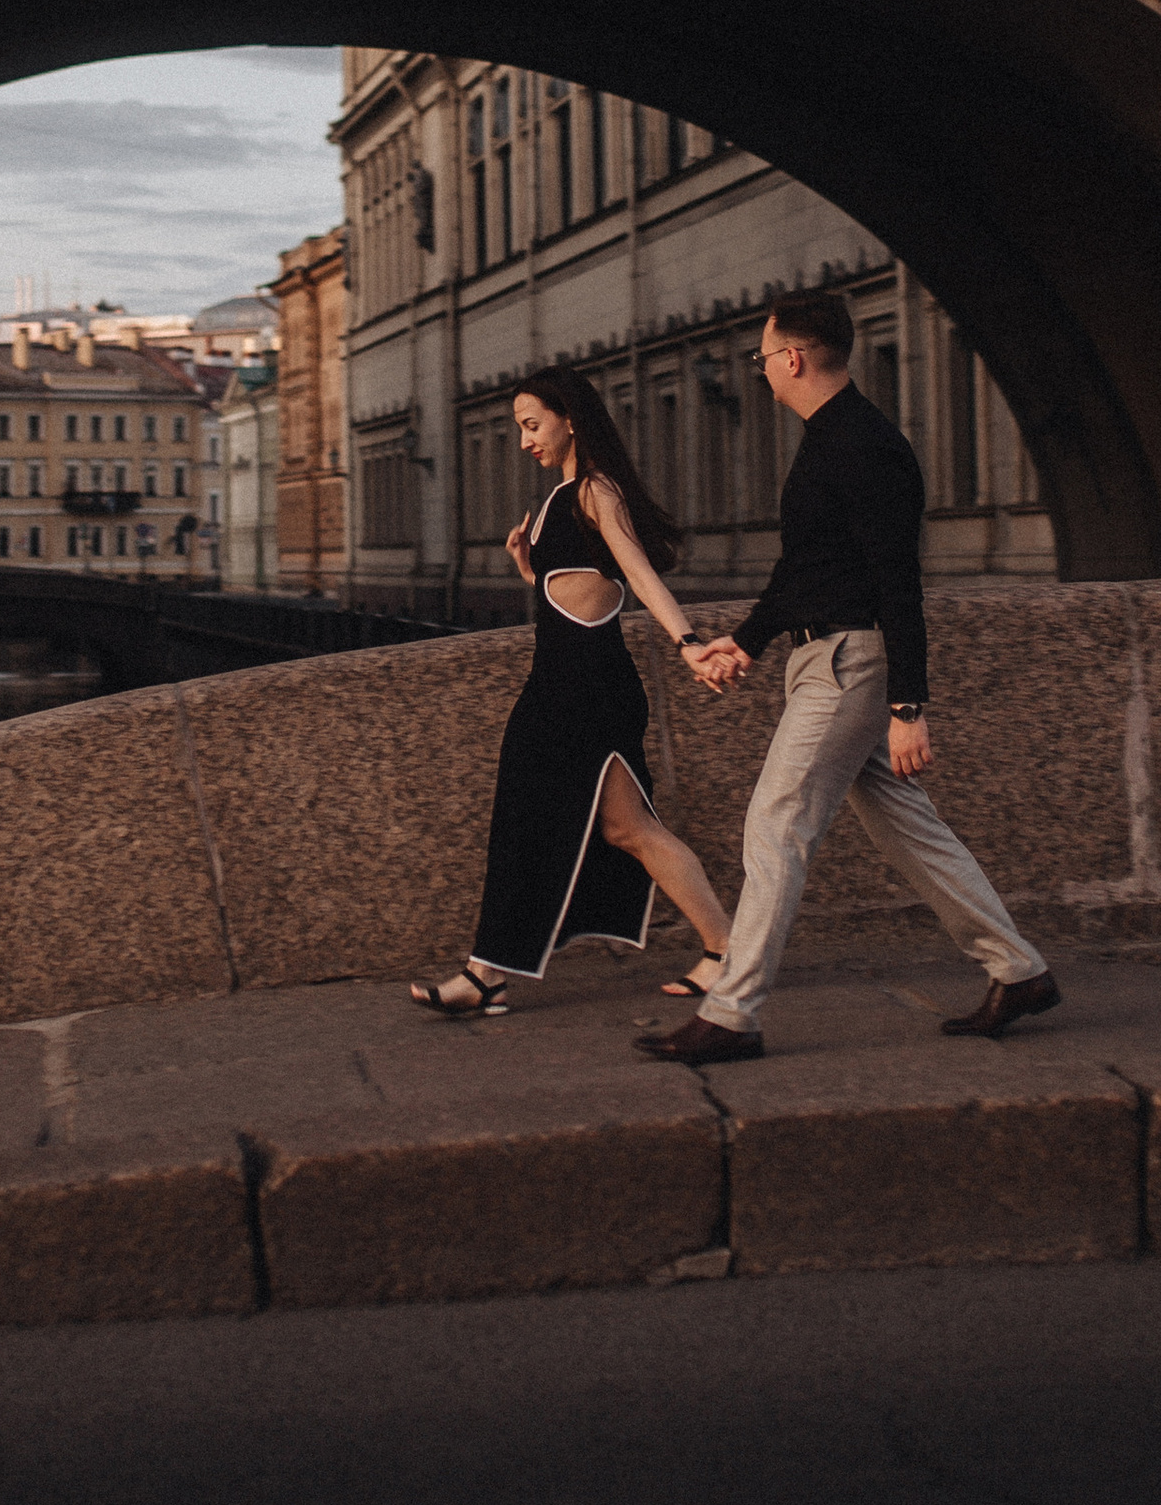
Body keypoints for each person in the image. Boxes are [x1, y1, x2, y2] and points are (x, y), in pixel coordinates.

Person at [639, 288, 1059, 1066]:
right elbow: (808, 569)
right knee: (909, 826)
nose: (762, 371)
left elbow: (898, 580)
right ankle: (1019, 970)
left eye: (764, 357)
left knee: (775, 824)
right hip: (823, 656)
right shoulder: (834, 438)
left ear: (792, 358)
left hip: (848, 665)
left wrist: (909, 704)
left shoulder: (862, 445)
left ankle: (732, 1013)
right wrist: (750, 642)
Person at [410, 368, 738, 1019]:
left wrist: (688, 642)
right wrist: (532, 571)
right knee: (627, 828)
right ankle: (728, 949)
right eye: (520, 428)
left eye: (533, 424)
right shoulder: (567, 496)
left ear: (571, 419)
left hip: (582, 689)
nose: (525, 439)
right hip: (568, 682)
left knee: (533, 824)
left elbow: (638, 575)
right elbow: (581, 590)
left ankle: (486, 975)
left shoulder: (593, 492)